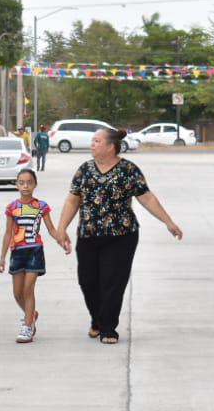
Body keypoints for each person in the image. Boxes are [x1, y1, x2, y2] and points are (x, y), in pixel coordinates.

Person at [54, 127, 183, 345]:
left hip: (121, 235)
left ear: (110, 146)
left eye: (97, 140)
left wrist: (168, 221)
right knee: (87, 281)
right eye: (92, 140)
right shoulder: (84, 170)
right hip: (88, 235)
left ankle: (108, 328)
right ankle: (97, 319)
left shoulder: (128, 170)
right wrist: (61, 228)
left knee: (112, 282)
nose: (92, 144)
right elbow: (72, 200)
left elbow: (147, 198)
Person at [0, 168, 67, 344]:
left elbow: (51, 229)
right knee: (17, 293)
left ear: (35, 184)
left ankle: (28, 326)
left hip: (35, 251)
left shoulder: (41, 206)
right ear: (16, 185)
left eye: (29, 182)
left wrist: (61, 240)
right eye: (21, 182)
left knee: (28, 289)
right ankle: (31, 313)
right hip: (17, 252)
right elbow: (7, 233)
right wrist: (2, 257)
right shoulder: (12, 208)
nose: (25, 186)